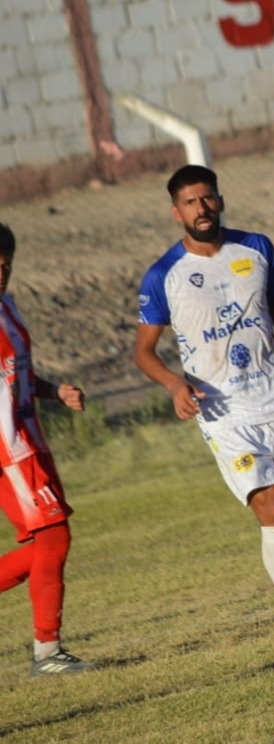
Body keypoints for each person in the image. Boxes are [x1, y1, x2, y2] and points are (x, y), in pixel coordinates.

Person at [134, 165, 274, 658]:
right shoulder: (162, 275)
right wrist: (173, 384)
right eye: (190, 202)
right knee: (273, 508)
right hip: (224, 414)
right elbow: (144, 351)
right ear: (176, 212)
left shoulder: (256, 248)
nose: (201, 208)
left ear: (220, 199)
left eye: (207, 198)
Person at [0, 223, 94, 676]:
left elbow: (18, 377)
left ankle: (48, 651)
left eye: (6, 263)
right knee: (53, 538)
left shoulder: (8, 307)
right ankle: (47, 652)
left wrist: (55, 391)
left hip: (30, 440)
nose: (1, 271)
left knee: (51, 541)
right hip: (8, 449)